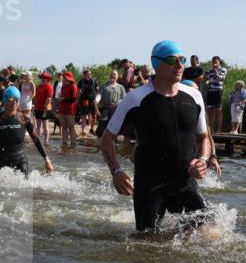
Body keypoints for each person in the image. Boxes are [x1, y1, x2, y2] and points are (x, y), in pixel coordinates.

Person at [100, 40, 211, 232]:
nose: (180, 65)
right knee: (147, 245)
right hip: (149, 185)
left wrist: (203, 159)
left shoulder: (194, 96)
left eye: (182, 60)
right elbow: (107, 138)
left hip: (184, 181)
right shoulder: (135, 99)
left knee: (208, 233)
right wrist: (116, 172)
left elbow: (203, 137)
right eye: (172, 60)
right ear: (157, 64)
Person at [0, 86, 53, 176]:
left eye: (17, 99)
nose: (14, 102)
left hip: (20, 160)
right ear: (5, 100)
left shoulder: (24, 118)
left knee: (23, 188)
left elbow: (36, 139)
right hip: (0, 160)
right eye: (11, 99)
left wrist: (46, 159)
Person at [94, 70, 126, 139]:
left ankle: (113, 142)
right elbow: (99, 94)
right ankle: (99, 142)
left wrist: (116, 104)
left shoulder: (121, 87)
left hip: (116, 109)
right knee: (102, 124)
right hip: (105, 108)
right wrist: (97, 99)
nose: (113, 76)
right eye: (112, 74)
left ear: (117, 77)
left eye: (114, 74)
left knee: (114, 127)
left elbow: (124, 99)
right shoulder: (104, 86)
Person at [204, 56, 227, 132]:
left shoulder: (223, 69)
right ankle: (211, 130)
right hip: (210, 91)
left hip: (218, 91)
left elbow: (220, 78)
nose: (214, 64)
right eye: (213, 62)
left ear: (219, 62)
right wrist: (207, 82)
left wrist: (215, 71)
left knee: (218, 110)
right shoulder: (210, 71)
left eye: (215, 62)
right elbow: (208, 80)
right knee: (210, 111)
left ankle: (219, 130)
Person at [57, 70, 79, 150]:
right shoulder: (63, 86)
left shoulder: (73, 86)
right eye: (64, 78)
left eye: (65, 78)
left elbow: (74, 99)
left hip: (70, 109)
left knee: (71, 127)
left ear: (68, 79)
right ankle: (64, 143)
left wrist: (64, 99)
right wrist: (61, 99)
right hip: (62, 108)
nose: (63, 79)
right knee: (64, 127)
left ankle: (73, 143)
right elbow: (63, 97)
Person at [33, 71, 54, 144]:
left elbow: (49, 98)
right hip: (37, 108)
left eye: (44, 78)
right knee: (38, 125)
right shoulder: (38, 87)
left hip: (45, 109)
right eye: (42, 78)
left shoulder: (49, 86)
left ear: (48, 79)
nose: (43, 79)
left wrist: (45, 109)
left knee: (45, 125)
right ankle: (38, 140)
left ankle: (46, 141)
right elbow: (35, 98)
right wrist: (34, 106)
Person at [76, 69, 98, 136]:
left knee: (94, 115)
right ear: (84, 75)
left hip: (93, 100)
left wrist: (97, 96)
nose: (90, 75)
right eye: (88, 74)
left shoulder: (94, 81)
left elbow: (97, 88)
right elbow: (78, 90)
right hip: (84, 100)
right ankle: (83, 131)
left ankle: (91, 129)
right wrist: (79, 93)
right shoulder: (81, 81)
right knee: (83, 116)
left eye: (90, 74)